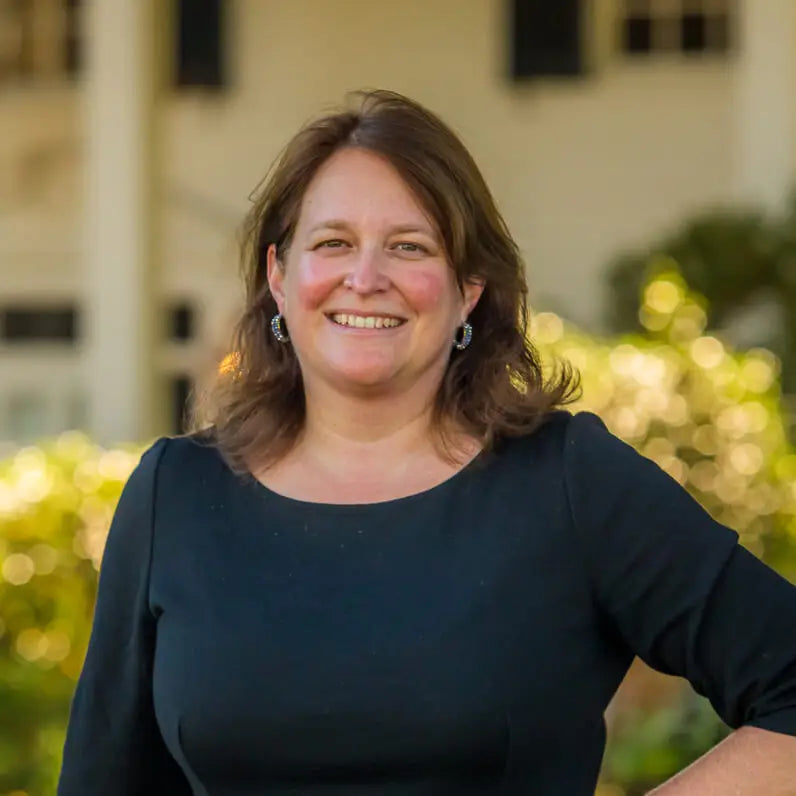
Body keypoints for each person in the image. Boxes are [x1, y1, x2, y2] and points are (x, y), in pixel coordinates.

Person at [58, 89, 796, 795]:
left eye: (410, 247)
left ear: (468, 287)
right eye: (333, 242)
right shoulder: (174, 497)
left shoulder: (568, 484)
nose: (366, 277)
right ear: (280, 278)